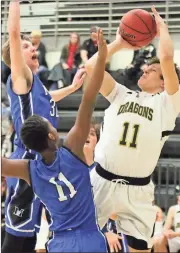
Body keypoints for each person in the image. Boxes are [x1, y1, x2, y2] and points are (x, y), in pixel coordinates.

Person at [2, 28, 108, 253]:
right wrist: (104, 54)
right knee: (18, 235)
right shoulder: (74, 156)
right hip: (91, 239)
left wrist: (71, 88)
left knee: (25, 235)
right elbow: (89, 100)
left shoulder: (33, 172)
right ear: (52, 135)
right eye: (25, 46)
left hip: (61, 242)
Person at [85, 6, 180, 252]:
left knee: (140, 249)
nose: (145, 69)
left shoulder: (167, 104)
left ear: (163, 82)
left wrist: (163, 30)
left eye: (152, 71)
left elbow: (167, 59)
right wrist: (118, 43)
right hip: (101, 180)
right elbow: (90, 68)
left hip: (137, 190)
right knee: (81, 242)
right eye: (145, 68)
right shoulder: (121, 93)